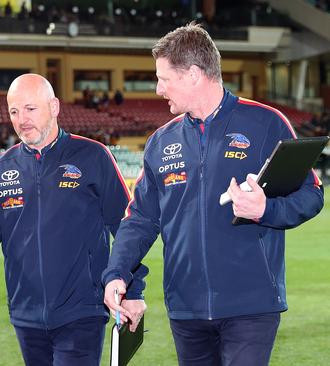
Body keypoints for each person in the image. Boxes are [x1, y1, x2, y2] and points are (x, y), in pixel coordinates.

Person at [102, 23, 324, 366]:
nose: (158, 88)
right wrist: (117, 272)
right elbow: (142, 218)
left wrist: (266, 209)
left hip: (251, 305)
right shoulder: (161, 142)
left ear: (193, 74)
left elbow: (311, 194)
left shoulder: (266, 123)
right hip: (186, 308)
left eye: (164, 78)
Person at [0, 74, 147, 366]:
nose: (21, 119)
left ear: (54, 107)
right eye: (14, 111)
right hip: (26, 313)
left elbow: (127, 228)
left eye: (30, 109)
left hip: (81, 310)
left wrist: (132, 290)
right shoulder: (1, 168)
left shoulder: (92, 156)